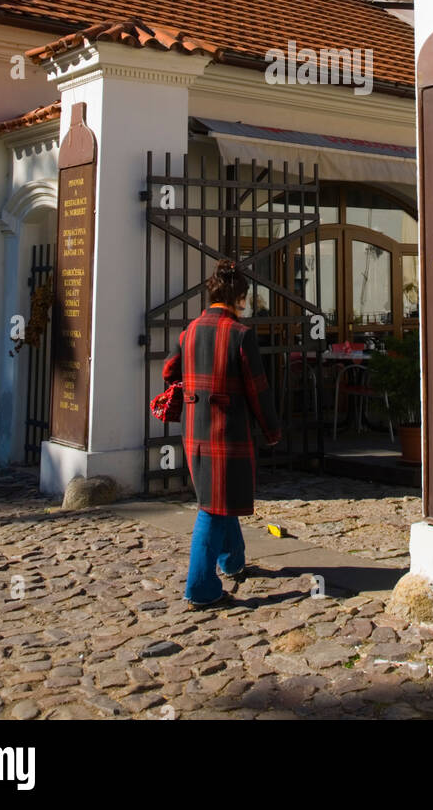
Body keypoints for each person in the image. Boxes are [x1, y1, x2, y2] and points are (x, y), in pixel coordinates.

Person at [162, 259, 281, 608]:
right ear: (238, 296)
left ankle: (232, 561)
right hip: (227, 430)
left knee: (218, 496)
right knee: (212, 508)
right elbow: (258, 389)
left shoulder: (190, 330)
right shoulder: (241, 335)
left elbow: (170, 371)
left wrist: (191, 395)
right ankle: (200, 588)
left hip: (194, 429)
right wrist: (272, 430)